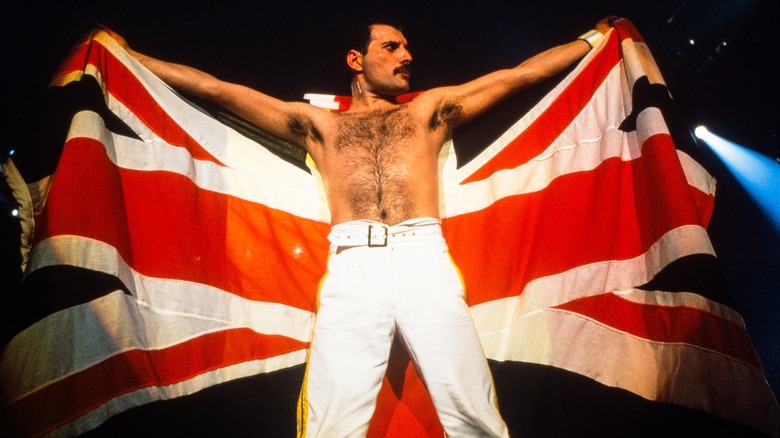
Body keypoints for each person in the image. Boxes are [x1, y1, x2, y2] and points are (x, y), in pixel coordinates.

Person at [106, 16, 613, 437]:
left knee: (471, 408)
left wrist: (590, 41)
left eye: (408, 48)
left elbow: (518, 76)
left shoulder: (429, 111)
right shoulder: (319, 125)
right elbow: (219, 90)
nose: (406, 56)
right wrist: (130, 57)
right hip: (352, 264)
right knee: (333, 421)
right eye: (392, 47)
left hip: (422, 256)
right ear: (357, 60)